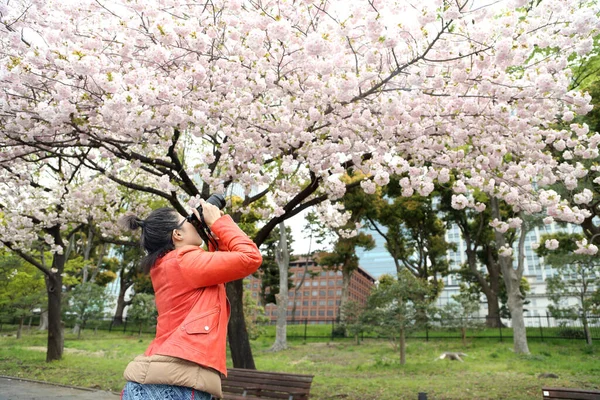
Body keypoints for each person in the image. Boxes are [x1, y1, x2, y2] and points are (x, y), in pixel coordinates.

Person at [119, 200, 263, 400]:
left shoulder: (169, 264)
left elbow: (222, 263)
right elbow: (250, 257)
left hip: (153, 380)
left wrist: (212, 232)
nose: (193, 223)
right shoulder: (184, 260)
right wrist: (219, 223)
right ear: (177, 235)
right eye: (186, 220)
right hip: (178, 385)